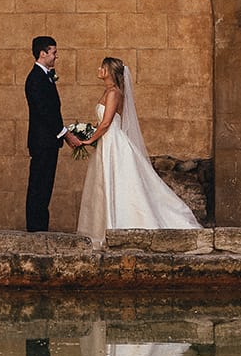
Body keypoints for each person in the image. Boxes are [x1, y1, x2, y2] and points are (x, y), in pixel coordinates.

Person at [70, 57, 201, 246]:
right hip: (107, 141)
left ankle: (121, 225)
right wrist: (89, 130)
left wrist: (90, 138)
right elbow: (103, 122)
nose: (99, 69)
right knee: (104, 183)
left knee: (119, 182)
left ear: (109, 71)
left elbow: (107, 123)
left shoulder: (114, 93)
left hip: (113, 142)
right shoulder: (108, 91)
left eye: (102, 67)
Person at [24, 36, 65, 232]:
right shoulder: (35, 78)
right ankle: (35, 228)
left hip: (48, 141)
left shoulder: (45, 76)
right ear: (43, 53)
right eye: (54, 52)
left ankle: (40, 227)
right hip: (42, 141)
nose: (56, 56)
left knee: (45, 185)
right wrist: (64, 133)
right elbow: (45, 111)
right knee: (39, 185)